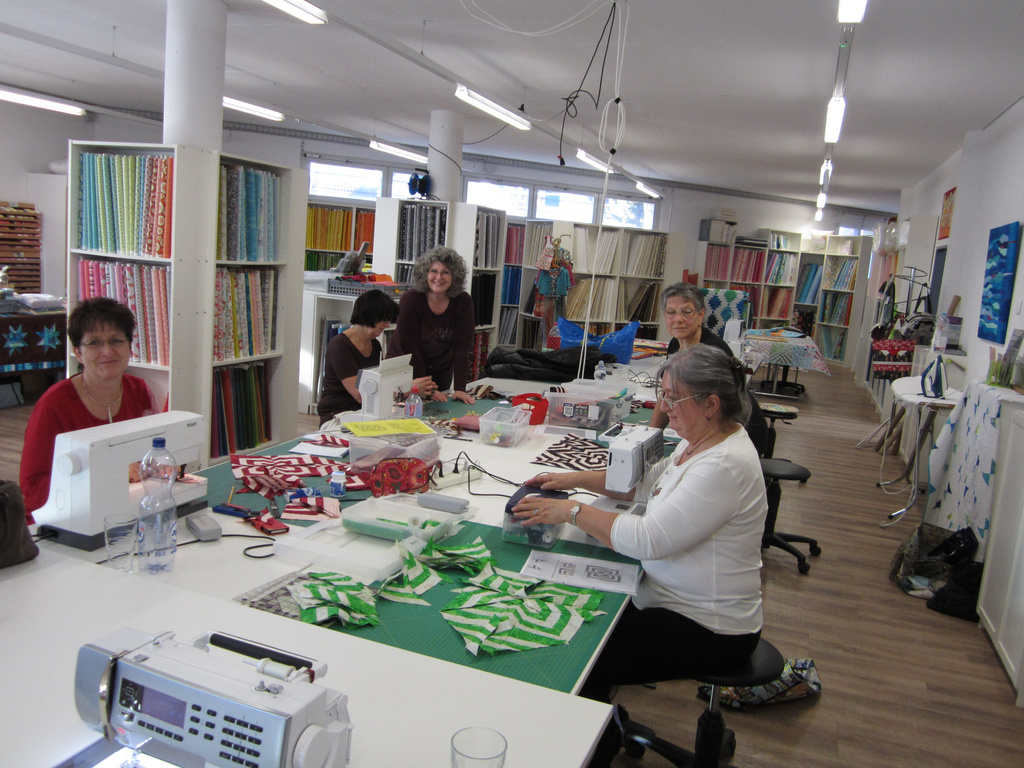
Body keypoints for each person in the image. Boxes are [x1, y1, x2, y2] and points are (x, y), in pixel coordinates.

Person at [512, 345, 768, 766]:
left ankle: (596, 744)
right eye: (663, 394)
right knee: (582, 629)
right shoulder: (700, 442)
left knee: (579, 652)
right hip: (671, 600)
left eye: (673, 398)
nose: (663, 407)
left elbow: (648, 539)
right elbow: (643, 485)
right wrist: (568, 479)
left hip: (710, 628)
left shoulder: (723, 465)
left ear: (711, 404)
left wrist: (572, 511)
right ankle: (601, 726)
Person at [21, 297, 159, 523]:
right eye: (94, 343)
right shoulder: (53, 405)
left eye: (116, 340)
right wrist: (110, 475)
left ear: (129, 347)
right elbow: (32, 488)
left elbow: (149, 454)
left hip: (123, 509)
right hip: (62, 521)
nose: (107, 351)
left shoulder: (139, 390)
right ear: (78, 352)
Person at [652, 283, 769, 454]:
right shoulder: (675, 344)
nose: (678, 319)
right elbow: (666, 395)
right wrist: (649, 436)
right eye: (671, 312)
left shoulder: (711, 352)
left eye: (686, 312)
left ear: (701, 315)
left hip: (738, 434)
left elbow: (714, 412)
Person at [316, 289, 436, 426]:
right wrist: (409, 389)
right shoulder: (340, 346)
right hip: (338, 415)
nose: (387, 325)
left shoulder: (374, 344)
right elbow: (362, 395)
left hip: (365, 412)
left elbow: (380, 383)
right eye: (384, 319)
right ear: (371, 315)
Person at [386, 246, 477, 405]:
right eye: (434, 271)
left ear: (455, 276)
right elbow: (410, 347)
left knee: (437, 413)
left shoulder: (463, 301)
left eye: (446, 272)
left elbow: (462, 347)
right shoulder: (410, 300)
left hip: (440, 372)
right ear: (425, 273)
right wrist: (428, 388)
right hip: (405, 372)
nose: (439, 277)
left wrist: (460, 388)